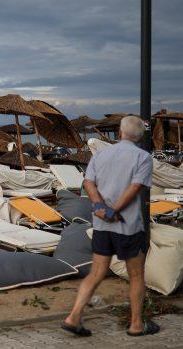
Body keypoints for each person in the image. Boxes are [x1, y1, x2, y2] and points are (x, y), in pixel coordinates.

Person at [61, 115, 160, 337]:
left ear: (119, 132)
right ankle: (136, 325)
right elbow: (135, 188)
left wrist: (100, 207)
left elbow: (88, 182)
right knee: (136, 276)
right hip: (129, 227)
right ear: (140, 136)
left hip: (102, 226)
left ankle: (74, 317)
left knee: (96, 272)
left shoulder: (101, 155)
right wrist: (114, 211)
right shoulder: (143, 158)